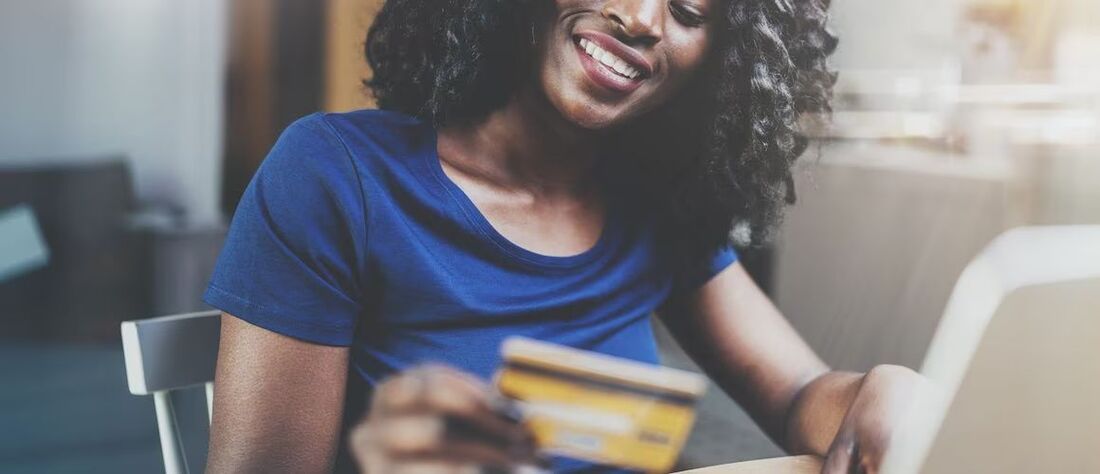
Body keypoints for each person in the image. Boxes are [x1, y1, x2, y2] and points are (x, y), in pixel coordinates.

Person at [203, 0, 924, 473]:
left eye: (689, 10)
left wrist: (877, 389)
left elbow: (799, 394)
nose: (641, 18)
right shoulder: (335, 176)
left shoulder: (654, 202)